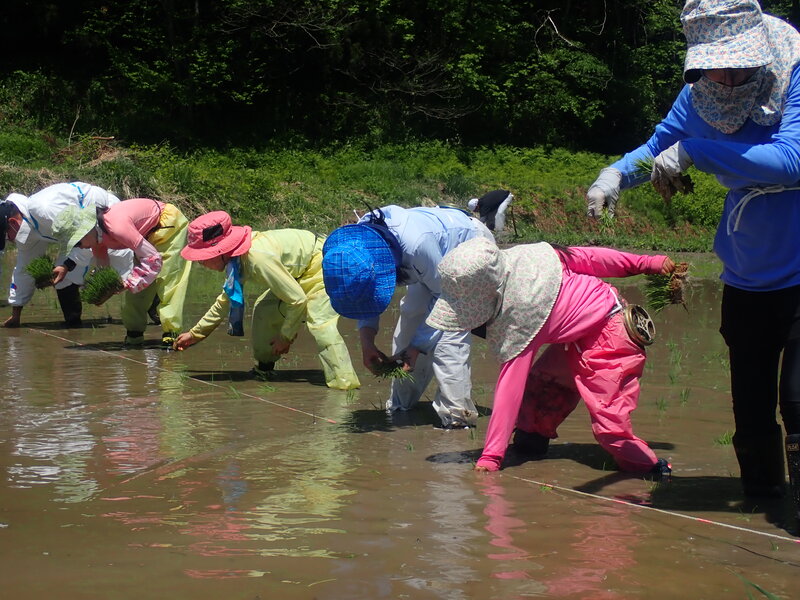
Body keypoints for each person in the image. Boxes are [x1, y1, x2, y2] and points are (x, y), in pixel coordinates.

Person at [585, 0, 800, 513]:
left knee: (797, 402)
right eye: (713, 64)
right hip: (746, 273)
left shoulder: (793, 75)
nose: (723, 75)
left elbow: (791, 162)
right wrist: (614, 174)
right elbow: (660, 144)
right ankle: (761, 505)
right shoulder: (699, 93)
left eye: (734, 61)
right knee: (749, 409)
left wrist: (697, 153)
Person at [426, 236, 675, 475]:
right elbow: (592, 257)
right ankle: (529, 446)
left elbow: (509, 388)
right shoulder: (525, 261)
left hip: (610, 333)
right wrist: (646, 262)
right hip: (574, 337)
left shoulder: (520, 311)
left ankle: (653, 470)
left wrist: (491, 456)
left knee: (610, 426)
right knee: (539, 397)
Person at [322, 205, 494, 428]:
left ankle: (457, 420)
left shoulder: (417, 245)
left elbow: (446, 298)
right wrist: (367, 343)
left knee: (449, 336)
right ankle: (400, 406)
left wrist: (418, 346)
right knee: (411, 316)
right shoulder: (351, 252)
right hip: (429, 265)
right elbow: (364, 299)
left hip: (468, 246)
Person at [172, 211, 360, 391]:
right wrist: (195, 334)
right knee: (264, 309)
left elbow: (297, 300)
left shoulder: (256, 258)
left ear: (220, 251)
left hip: (321, 262)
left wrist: (285, 336)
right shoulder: (236, 260)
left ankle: (345, 386)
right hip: (299, 271)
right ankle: (264, 368)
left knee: (320, 322)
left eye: (204, 258)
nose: (201, 263)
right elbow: (225, 301)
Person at [53, 197, 192, 346]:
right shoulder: (97, 239)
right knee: (136, 293)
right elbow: (103, 268)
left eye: (77, 243)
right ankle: (134, 335)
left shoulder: (116, 226)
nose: (79, 247)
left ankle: (171, 334)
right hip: (145, 236)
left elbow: (153, 259)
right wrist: (102, 290)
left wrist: (126, 284)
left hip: (168, 225)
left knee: (168, 281)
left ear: (86, 232)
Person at [0, 182, 132, 328]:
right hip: (80, 236)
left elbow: (84, 235)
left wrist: (67, 265)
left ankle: (153, 314)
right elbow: (23, 268)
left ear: (12, 222)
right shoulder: (27, 230)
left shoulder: (44, 210)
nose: (9, 241)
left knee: (125, 274)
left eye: (6, 236)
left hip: (105, 215)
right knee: (64, 278)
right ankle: (73, 325)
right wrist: (16, 314)